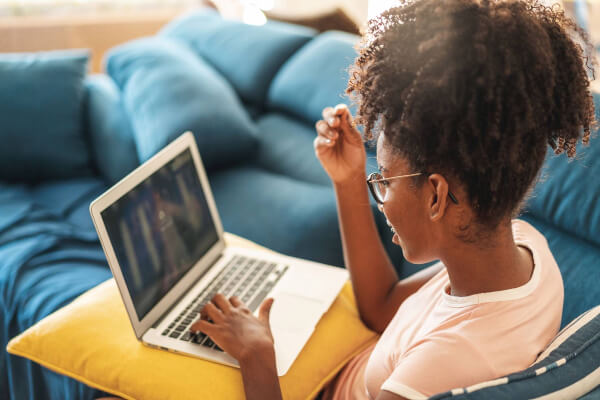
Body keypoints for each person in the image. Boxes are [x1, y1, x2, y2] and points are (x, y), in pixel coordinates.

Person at [188, 0, 597, 399]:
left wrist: (257, 355)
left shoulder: (437, 370)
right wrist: (348, 180)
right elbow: (381, 307)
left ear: (436, 195)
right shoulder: (524, 248)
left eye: (384, 179)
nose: (379, 194)